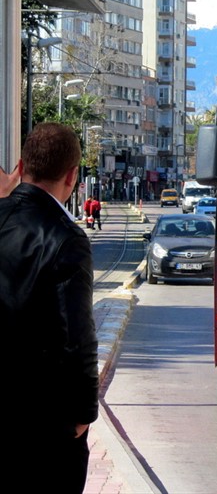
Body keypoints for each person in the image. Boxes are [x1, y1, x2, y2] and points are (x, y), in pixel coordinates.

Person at [0, 123, 99, 493]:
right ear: (72, 176)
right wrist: (83, 415)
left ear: (23, 165)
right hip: (39, 423)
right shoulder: (65, 238)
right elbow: (77, 337)